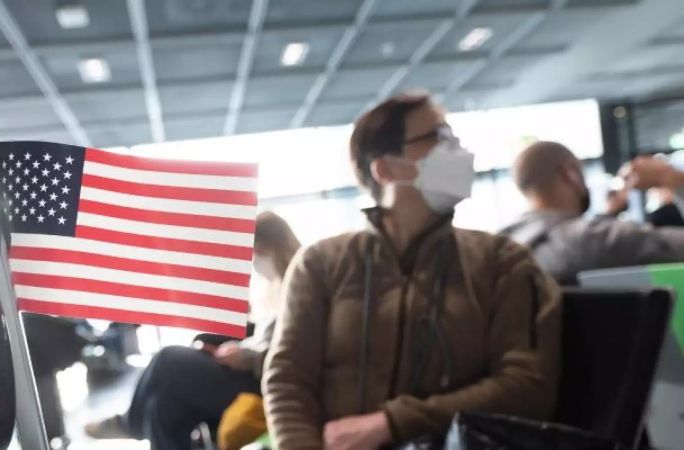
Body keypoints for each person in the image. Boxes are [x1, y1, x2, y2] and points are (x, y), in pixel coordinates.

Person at [262, 93, 562, 449]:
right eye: (439, 138)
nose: (459, 150)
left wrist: (391, 422)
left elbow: (528, 386)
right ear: (386, 168)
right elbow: (289, 381)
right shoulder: (321, 264)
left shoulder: (502, 262)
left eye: (455, 137)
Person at [84, 211, 302, 449]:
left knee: (169, 359)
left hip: (264, 381)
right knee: (163, 404)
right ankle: (132, 423)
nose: (254, 262)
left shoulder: (300, 286)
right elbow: (264, 336)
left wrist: (247, 356)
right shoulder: (275, 287)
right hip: (252, 367)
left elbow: (296, 353)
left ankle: (129, 424)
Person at [500, 141, 684, 284]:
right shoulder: (597, 239)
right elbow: (588, 240)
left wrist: (608, 214)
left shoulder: (504, 245)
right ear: (570, 174)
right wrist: (670, 177)